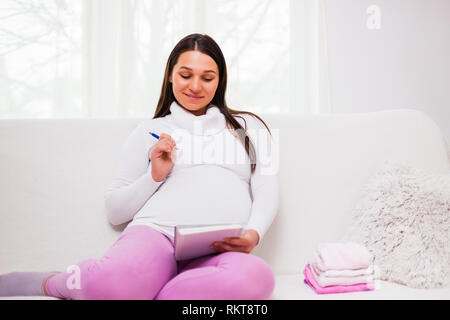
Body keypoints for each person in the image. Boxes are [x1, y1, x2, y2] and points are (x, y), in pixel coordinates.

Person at [0, 33, 279, 300]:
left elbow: (267, 188)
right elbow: (115, 211)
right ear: (170, 75)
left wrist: (252, 234)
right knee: (110, 284)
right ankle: (54, 283)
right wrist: (155, 176)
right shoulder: (149, 131)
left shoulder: (248, 128)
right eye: (185, 75)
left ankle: (146, 289)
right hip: (155, 238)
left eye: (207, 78)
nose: (195, 86)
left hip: (218, 247)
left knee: (257, 279)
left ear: (220, 81)